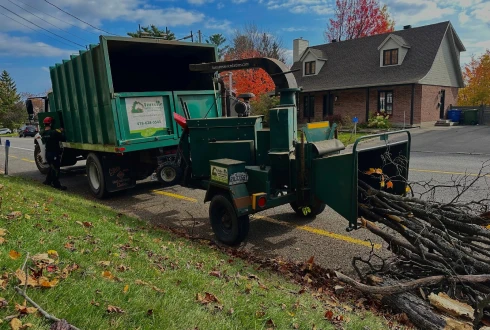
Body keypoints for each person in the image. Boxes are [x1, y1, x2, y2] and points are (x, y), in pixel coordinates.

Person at [41, 117, 67, 190]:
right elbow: (63, 138)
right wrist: (61, 131)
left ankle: (47, 181)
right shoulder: (54, 132)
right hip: (54, 154)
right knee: (56, 169)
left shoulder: (43, 133)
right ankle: (56, 184)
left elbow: (43, 141)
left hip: (48, 154)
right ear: (51, 124)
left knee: (52, 167)